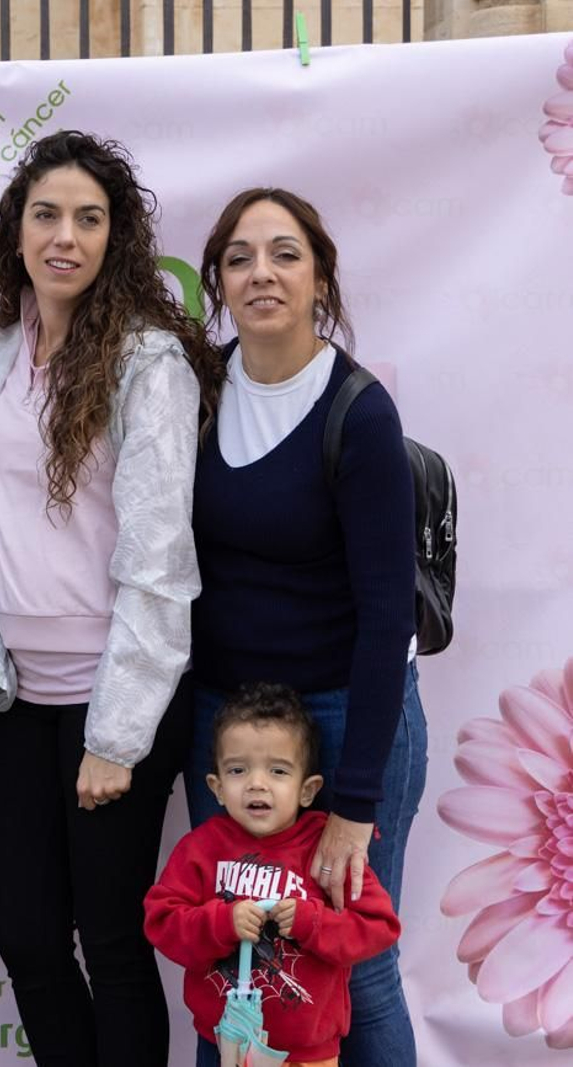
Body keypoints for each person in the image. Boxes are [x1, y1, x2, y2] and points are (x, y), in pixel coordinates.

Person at [0, 130, 223, 1067]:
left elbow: (158, 558)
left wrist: (116, 735)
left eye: (89, 218)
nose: (65, 236)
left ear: (117, 237)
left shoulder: (149, 359)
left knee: (110, 941)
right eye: (46, 215)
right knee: (25, 936)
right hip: (17, 695)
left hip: (120, 702)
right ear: (16, 229)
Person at [187, 188, 426, 1067]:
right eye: (241, 257)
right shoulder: (200, 389)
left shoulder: (358, 413)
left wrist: (353, 804)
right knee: (236, 960)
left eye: (285, 254)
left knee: (350, 962)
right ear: (217, 280)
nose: (262, 273)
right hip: (229, 725)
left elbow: (386, 616)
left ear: (320, 276)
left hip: (342, 719)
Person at [145, 683, 401, 1067]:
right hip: (225, 1046)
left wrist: (312, 921)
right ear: (216, 787)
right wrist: (220, 922)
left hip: (311, 1055)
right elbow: (161, 921)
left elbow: (380, 926)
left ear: (307, 789)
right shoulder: (200, 848)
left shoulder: (325, 847)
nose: (257, 783)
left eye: (278, 770)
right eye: (237, 769)